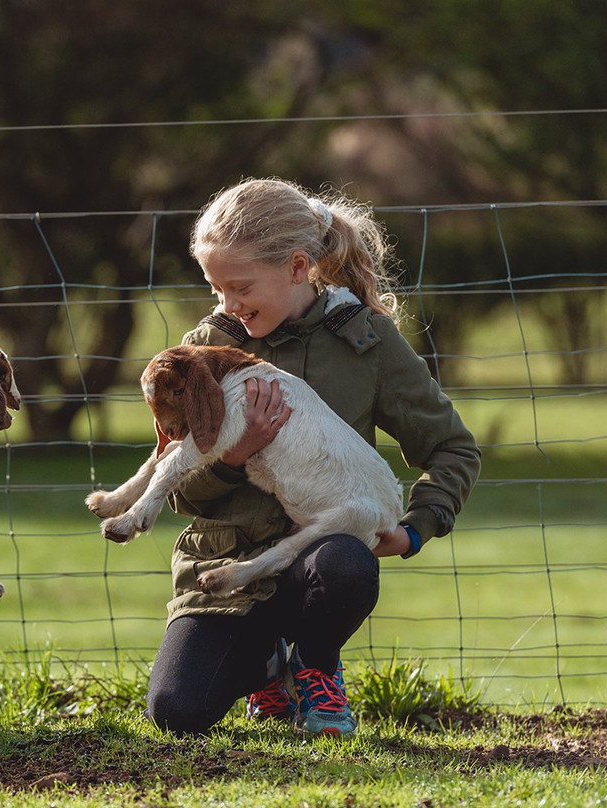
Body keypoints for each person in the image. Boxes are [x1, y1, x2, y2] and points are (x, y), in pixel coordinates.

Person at [144, 178, 481, 737]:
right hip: (222, 571)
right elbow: (177, 491)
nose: (228, 305)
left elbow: (453, 449)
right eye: (217, 289)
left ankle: (316, 664)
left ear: (298, 268)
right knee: (177, 712)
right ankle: (266, 668)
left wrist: (418, 526)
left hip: (314, 568)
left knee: (347, 563)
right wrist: (236, 455)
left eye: (241, 287)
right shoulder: (205, 346)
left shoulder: (366, 341)